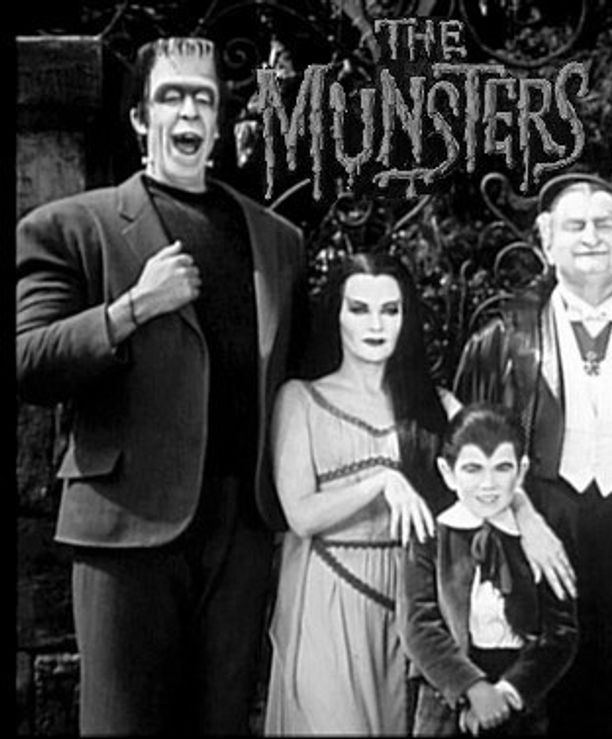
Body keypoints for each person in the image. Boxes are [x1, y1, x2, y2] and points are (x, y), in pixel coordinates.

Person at [15, 37, 308, 734]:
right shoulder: (71, 227)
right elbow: (29, 360)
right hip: (126, 529)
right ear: (140, 118)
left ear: (219, 120)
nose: (188, 111)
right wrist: (132, 308)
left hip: (239, 534)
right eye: (170, 96)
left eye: (202, 98)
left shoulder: (277, 239)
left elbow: (304, 378)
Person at [263, 254, 575, 735]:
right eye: (359, 309)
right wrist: (381, 481)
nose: (375, 325)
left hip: (417, 595)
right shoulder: (300, 399)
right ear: (336, 316)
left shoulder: (437, 404)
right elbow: (300, 515)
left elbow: (490, 474)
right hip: (331, 591)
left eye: (390, 310)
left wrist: (528, 518)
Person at [454, 173, 612, 735]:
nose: (591, 237)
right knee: (542, 691)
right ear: (546, 239)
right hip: (543, 523)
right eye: (575, 225)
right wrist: (522, 515)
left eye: (604, 224)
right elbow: (470, 447)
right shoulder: (504, 335)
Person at [400, 403, 578, 736]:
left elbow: (561, 633)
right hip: (447, 696)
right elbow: (418, 627)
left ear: (521, 472)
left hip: (519, 699)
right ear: (448, 472)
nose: (488, 484)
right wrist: (473, 689)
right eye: (473, 469)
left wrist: (508, 693)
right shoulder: (430, 538)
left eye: (502, 468)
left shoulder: (541, 542)